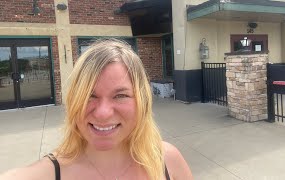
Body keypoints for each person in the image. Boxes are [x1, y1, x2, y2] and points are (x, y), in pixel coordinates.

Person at [0, 39, 193, 180]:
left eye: (120, 95)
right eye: (89, 95)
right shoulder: (45, 174)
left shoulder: (168, 160)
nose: (103, 113)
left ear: (142, 101)